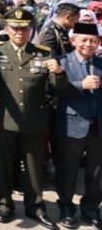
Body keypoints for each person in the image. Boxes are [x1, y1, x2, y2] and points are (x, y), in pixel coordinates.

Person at [0, 8, 69, 229]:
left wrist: (59, 72)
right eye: (15, 28)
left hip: (34, 120)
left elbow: (57, 87)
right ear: (7, 28)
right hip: (3, 119)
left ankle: (36, 207)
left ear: (31, 30)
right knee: (3, 166)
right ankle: (4, 204)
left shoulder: (43, 52)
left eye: (24, 28)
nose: (19, 32)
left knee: (33, 168)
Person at [53, 22, 102, 229]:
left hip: (98, 125)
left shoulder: (100, 63)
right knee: (68, 169)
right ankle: (66, 208)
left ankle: (91, 209)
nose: (88, 44)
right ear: (73, 41)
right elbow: (52, 90)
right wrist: (81, 85)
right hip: (71, 124)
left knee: (96, 171)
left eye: (93, 41)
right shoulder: (61, 62)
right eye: (83, 40)